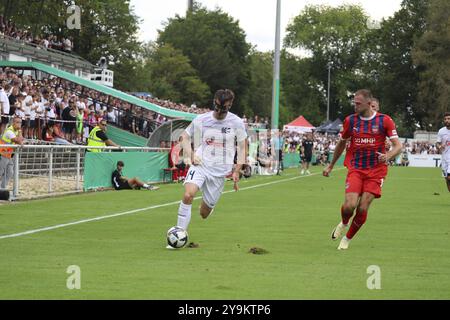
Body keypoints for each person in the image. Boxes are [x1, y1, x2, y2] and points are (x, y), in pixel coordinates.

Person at [323, 89, 402, 250]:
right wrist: (331, 165)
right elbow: (341, 143)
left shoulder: (385, 120)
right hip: (356, 169)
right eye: (354, 103)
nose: (355, 106)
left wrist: (388, 155)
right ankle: (344, 222)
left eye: (358, 103)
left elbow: (398, 146)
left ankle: (347, 239)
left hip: (376, 171)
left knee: (363, 206)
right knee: (349, 206)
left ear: (368, 103)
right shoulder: (350, 121)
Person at [171, 89, 247, 249]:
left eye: (224, 108)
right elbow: (184, 137)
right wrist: (191, 154)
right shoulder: (201, 119)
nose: (219, 112)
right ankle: (180, 232)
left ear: (230, 105)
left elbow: (242, 146)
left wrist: (237, 171)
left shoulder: (236, 122)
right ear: (214, 102)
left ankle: (207, 206)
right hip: (201, 165)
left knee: (204, 214)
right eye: (218, 107)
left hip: (219, 173)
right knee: (188, 194)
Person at [0, 116, 24, 189]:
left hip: (8, 154)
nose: (19, 124)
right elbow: (19, 141)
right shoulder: (9, 131)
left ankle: (2, 188)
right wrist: (20, 132)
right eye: (17, 122)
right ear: (13, 123)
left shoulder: (15, 130)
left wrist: (20, 136)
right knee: (0, 172)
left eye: (20, 122)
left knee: (10, 172)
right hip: (2, 154)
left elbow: (21, 139)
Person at [436, 112, 450, 192]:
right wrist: (439, 146)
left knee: (449, 177)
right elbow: (437, 143)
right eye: (445, 119)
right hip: (444, 158)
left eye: (448, 119)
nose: (446, 121)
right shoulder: (441, 131)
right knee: (447, 180)